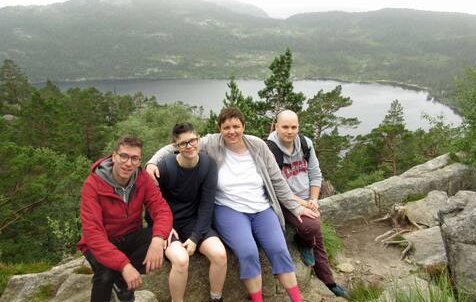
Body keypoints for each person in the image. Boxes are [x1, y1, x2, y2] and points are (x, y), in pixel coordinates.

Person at [146, 107, 319, 302]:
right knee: (248, 252)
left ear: (244, 126)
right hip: (229, 209)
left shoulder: (258, 145)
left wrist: (296, 207)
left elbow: (277, 180)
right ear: (219, 128)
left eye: (236, 126)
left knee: (279, 250)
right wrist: (152, 163)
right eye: (226, 127)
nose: (232, 131)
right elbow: (176, 146)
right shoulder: (211, 142)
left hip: (261, 208)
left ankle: (297, 299)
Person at [77, 135, 173, 302]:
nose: (128, 163)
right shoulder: (93, 185)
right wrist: (124, 265)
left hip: (129, 235)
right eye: (124, 156)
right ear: (114, 156)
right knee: (105, 275)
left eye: (134, 158)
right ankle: (121, 281)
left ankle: (122, 284)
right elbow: (93, 235)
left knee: (164, 237)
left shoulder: (142, 179)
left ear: (139, 161)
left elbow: (162, 210)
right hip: (100, 242)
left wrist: (158, 240)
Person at [266, 110, 348, 298]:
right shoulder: (270, 149)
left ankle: (328, 280)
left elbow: (315, 174)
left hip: (305, 198)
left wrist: (313, 199)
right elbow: (278, 188)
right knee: (312, 226)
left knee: (315, 232)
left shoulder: (305, 144)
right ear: (276, 126)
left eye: (294, 127)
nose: (290, 131)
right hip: (285, 201)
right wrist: (303, 204)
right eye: (285, 127)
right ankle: (303, 241)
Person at [149, 122, 227, 302]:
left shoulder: (208, 165)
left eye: (193, 140)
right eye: (183, 143)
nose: (190, 146)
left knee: (220, 255)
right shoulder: (165, 168)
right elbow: (151, 205)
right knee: (181, 260)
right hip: (169, 224)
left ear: (198, 139)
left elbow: (207, 204)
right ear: (175, 146)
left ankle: (216, 298)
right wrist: (163, 228)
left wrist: (195, 237)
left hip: (194, 221)